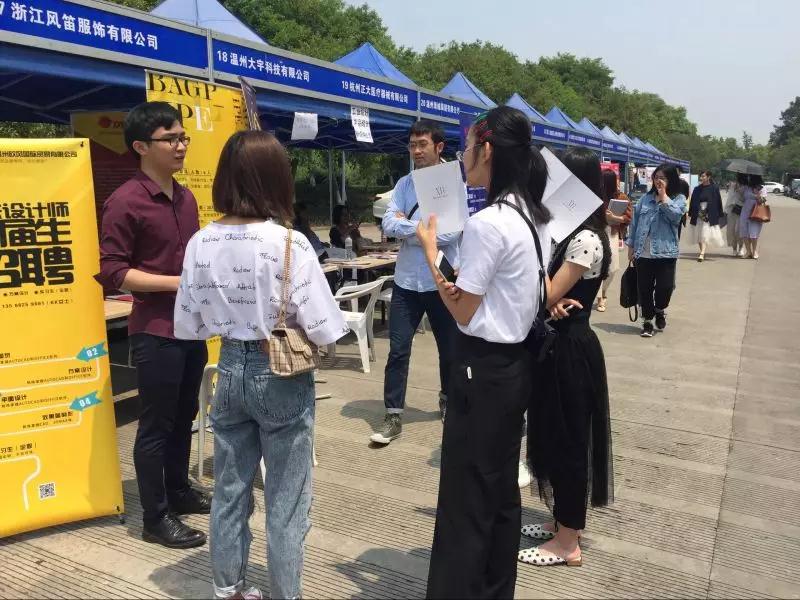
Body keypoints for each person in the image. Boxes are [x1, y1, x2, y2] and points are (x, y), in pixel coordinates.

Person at [174, 131, 348, 600]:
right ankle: (285, 593)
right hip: (282, 373)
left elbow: (187, 324)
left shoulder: (199, 242)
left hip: (228, 365)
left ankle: (228, 588)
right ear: (276, 179)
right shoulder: (290, 243)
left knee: (229, 491)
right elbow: (325, 329)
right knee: (287, 500)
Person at [417, 106, 552, 597]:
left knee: (466, 496)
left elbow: (463, 311)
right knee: (498, 492)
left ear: (487, 149)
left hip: (482, 367)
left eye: (468, 146)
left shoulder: (489, 222)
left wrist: (430, 254)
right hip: (514, 367)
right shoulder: (534, 216)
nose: (463, 157)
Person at [95, 101, 209, 549]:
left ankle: (178, 491)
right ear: (141, 147)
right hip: (155, 329)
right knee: (156, 424)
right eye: (171, 139)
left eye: (183, 137)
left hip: (191, 326)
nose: (181, 146)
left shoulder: (186, 197)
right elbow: (114, 272)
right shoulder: (125, 201)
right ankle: (155, 517)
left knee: (186, 415)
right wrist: (178, 282)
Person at [518, 147, 613, 568]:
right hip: (557, 345)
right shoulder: (568, 232)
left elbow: (545, 292)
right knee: (555, 437)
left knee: (570, 442)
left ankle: (568, 542)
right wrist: (550, 298)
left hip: (571, 352)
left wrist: (548, 297)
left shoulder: (586, 239)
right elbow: (550, 294)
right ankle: (562, 523)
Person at [369, 120, 460, 445]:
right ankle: (393, 414)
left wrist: (409, 226)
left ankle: (448, 399)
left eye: (423, 144)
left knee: (449, 349)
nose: (416, 151)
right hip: (406, 280)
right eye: (412, 145)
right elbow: (387, 223)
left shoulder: (454, 183)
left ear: (439, 147)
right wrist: (421, 231)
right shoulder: (404, 184)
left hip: (441, 279)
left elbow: (452, 233)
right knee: (398, 350)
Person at [626, 164, 687, 338]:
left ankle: (659, 310)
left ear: (671, 180)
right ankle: (647, 321)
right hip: (643, 253)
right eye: (656, 177)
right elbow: (634, 224)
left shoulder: (679, 199)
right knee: (644, 289)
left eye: (663, 178)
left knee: (665, 288)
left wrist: (664, 198)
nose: (658, 181)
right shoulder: (645, 199)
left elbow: (676, 217)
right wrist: (631, 246)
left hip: (666, 253)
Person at [596, 169, 629, 312]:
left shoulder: (621, 197)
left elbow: (628, 217)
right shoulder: (596, 195)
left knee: (613, 267)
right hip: (596, 232)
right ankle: (600, 297)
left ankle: (604, 290)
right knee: (597, 265)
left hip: (612, 233)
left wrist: (614, 218)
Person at [688, 171, 725, 261]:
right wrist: (690, 212)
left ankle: (702, 253)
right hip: (698, 212)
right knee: (699, 233)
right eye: (701, 176)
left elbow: (718, 201)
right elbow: (692, 201)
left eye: (703, 176)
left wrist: (720, 213)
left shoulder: (714, 188)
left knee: (705, 233)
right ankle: (702, 251)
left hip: (709, 212)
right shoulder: (697, 189)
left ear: (708, 177)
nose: (701, 178)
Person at [739, 174, 766, 259]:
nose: (748, 178)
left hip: (756, 212)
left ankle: (754, 251)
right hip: (745, 211)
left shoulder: (762, 188)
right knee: (744, 233)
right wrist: (740, 191)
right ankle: (748, 251)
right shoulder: (747, 188)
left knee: (753, 233)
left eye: (750, 177)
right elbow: (742, 199)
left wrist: (757, 194)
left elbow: (763, 201)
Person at [725, 176, 746, 256]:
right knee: (731, 231)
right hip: (731, 210)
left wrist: (739, 191)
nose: (737, 181)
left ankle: (741, 248)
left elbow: (745, 199)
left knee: (739, 230)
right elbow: (729, 198)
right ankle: (734, 249)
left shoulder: (745, 188)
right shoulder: (731, 186)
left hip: (741, 210)